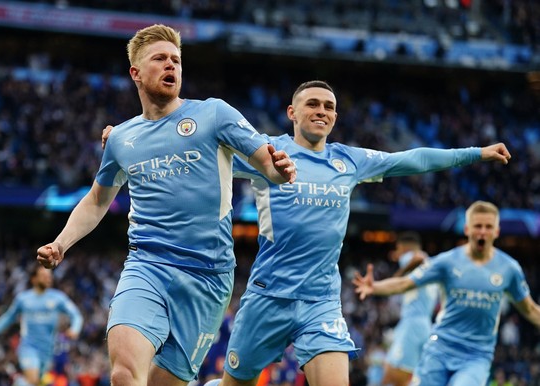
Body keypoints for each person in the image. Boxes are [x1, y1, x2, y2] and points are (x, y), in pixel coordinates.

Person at [103, 80, 512, 386]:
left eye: (329, 106)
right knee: (235, 383)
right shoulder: (266, 153)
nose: (322, 110)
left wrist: (476, 153)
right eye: (312, 104)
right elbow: (194, 148)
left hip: (320, 301)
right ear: (291, 113)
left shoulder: (349, 161)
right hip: (267, 298)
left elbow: (414, 159)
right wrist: (129, 136)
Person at [36, 24, 296, 386]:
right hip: (148, 265)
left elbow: (266, 163)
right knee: (125, 373)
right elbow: (97, 200)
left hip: (208, 278)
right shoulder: (122, 138)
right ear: (136, 73)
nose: (171, 65)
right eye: (160, 59)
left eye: (176, 59)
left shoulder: (214, 115)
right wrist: (61, 242)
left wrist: (280, 170)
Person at [353, 201, 540, 386]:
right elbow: (406, 283)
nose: (482, 231)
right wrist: (375, 287)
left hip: (476, 356)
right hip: (440, 349)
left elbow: (530, 309)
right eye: (478, 226)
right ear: (467, 229)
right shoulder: (448, 262)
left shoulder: (509, 268)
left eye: (488, 226)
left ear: (497, 231)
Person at [0, 265, 83, 386]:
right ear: (34, 279)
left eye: (49, 276)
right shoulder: (23, 299)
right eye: (44, 276)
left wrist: (75, 329)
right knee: (33, 379)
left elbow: (76, 315)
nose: (48, 279)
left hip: (47, 350)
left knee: (35, 382)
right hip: (28, 346)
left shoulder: (58, 298)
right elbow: (9, 316)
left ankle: (18, 382)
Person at [381, 231, 438, 386]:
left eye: (398, 249)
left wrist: (397, 279)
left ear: (404, 248)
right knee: (407, 375)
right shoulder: (432, 265)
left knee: (393, 373)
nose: (397, 254)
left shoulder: (412, 258)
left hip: (412, 323)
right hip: (424, 323)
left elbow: (418, 258)